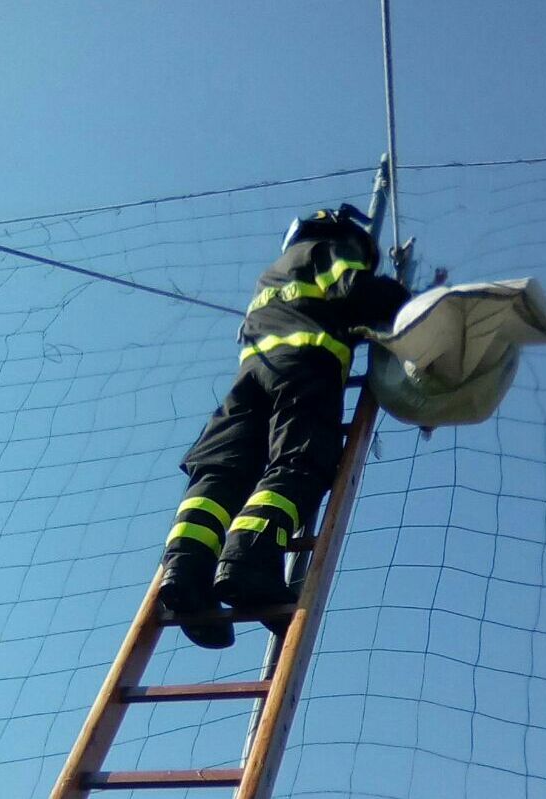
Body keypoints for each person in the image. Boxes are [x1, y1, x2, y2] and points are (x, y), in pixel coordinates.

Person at [158, 204, 410, 649]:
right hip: (304, 366)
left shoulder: (272, 274)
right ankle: (249, 560)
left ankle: (186, 572)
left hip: (249, 376)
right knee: (300, 460)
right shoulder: (327, 251)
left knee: (222, 472)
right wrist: (403, 302)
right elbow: (353, 290)